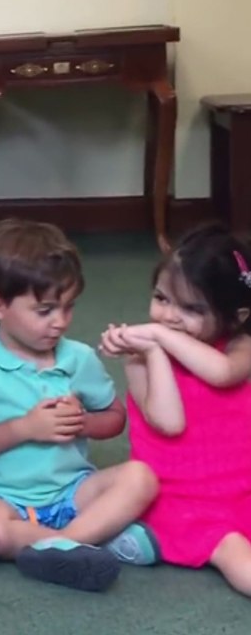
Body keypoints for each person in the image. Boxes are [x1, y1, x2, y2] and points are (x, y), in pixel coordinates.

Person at [0, 219, 159, 592]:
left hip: (73, 489)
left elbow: (114, 418)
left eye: (68, 308)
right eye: (45, 310)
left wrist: (82, 424)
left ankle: (62, 543)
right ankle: (93, 539)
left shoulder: (78, 358)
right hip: (3, 498)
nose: (60, 322)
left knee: (142, 477)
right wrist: (25, 428)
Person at [101, 222, 251, 596]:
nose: (167, 316)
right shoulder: (142, 354)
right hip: (182, 496)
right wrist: (152, 352)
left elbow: (222, 373)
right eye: (161, 298)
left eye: (191, 308)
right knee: (232, 551)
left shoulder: (240, 347)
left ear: (238, 315)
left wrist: (158, 336)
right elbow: (168, 422)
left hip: (242, 483)